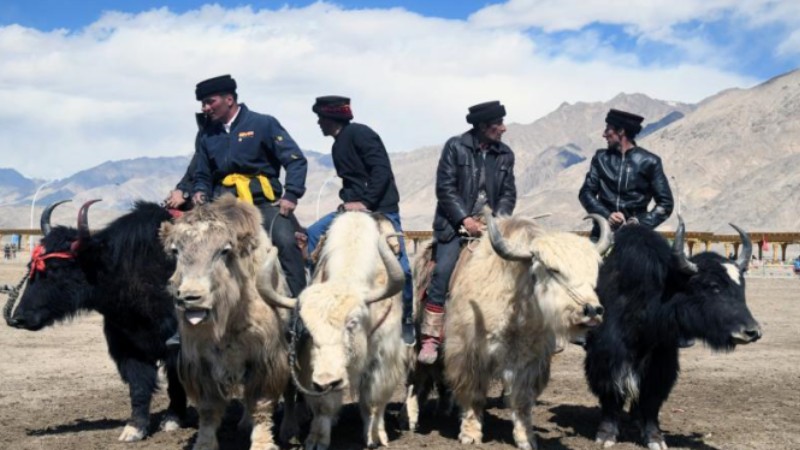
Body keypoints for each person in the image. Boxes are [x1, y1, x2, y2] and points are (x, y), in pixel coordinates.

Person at [306, 95, 416, 345]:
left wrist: (365, 202)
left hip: (381, 209)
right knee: (312, 235)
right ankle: (316, 302)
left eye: (320, 118)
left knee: (403, 268)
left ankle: (406, 320)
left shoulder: (361, 134)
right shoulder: (337, 145)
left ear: (332, 117)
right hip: (351, 209)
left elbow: (381, 171)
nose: (318, 123)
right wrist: (349, 203)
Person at [417, 101, 517, 364]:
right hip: (454, 227)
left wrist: (495, 219)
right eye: (499, 124)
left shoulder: (505, 154)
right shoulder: (455, 147)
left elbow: (508, 192)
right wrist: (465, 219)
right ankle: (431, 336)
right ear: (483, 126)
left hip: (489, 227)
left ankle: (516, 332)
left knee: (517, 271)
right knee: (442, 271)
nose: (504, 129)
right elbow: (445, 188)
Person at [192, 74, 308, 297]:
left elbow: (295, 160)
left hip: (263, 204)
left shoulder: (263, 123)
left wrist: (291, 194)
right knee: (193, 247)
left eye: (210, 101)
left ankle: (299, 309)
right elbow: (202, 174)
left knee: (285, 242)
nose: (205, 108)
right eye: (203, 103)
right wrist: (200, 192)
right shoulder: (207, 135)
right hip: (224, 208)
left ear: (229, 99)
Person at [578, 109, 674, 239]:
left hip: (636, 238)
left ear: (621, 131)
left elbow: (665, 204)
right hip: (601, 235)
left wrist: (637, 223)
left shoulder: (650, 162)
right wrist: (607, 216)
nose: (603, 134)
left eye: (608, 129)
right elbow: (585, 193)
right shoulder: (600, 158)